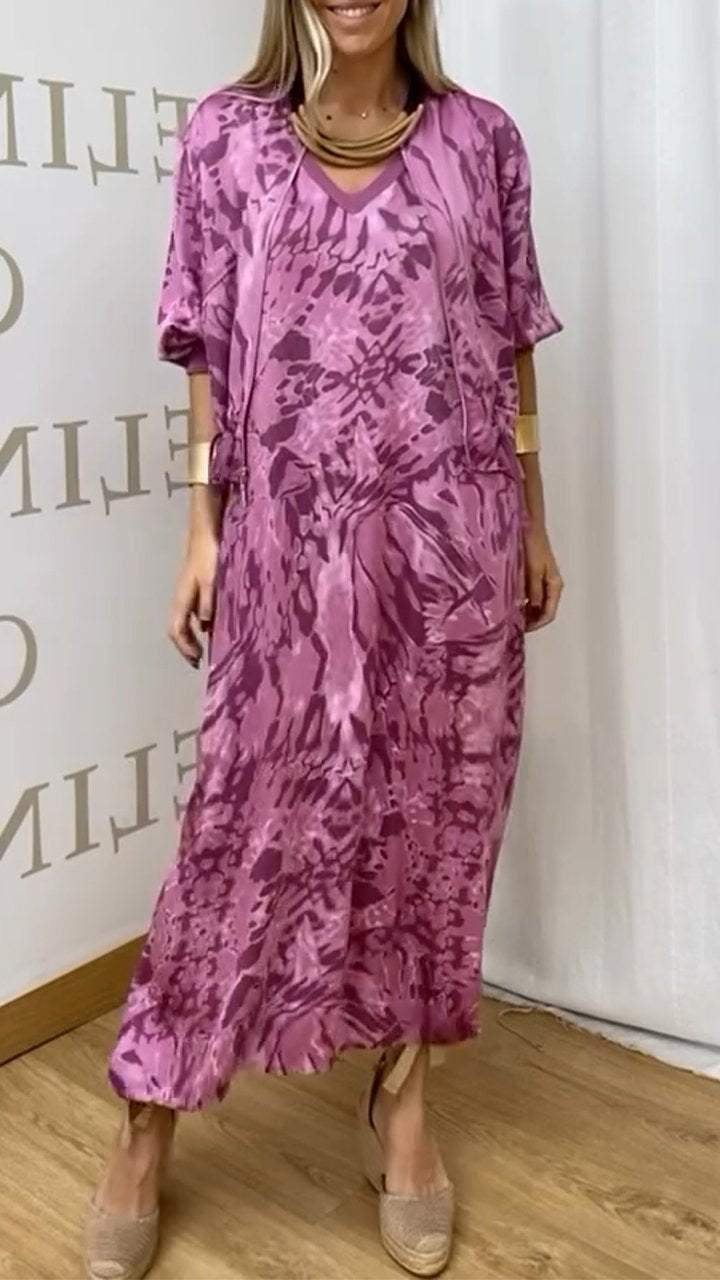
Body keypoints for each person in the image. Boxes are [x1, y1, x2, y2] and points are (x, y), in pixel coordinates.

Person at [84, 1, 564, 1276]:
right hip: (287, 546)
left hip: (454, 543)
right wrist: (202, 523)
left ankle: (400, 1109)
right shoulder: (227, 139)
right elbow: (206, 345)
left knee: (434, 825)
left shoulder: (482, 141)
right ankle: (146, 1113)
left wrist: (533, 517)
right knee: (241, 821)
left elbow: (510, 343)